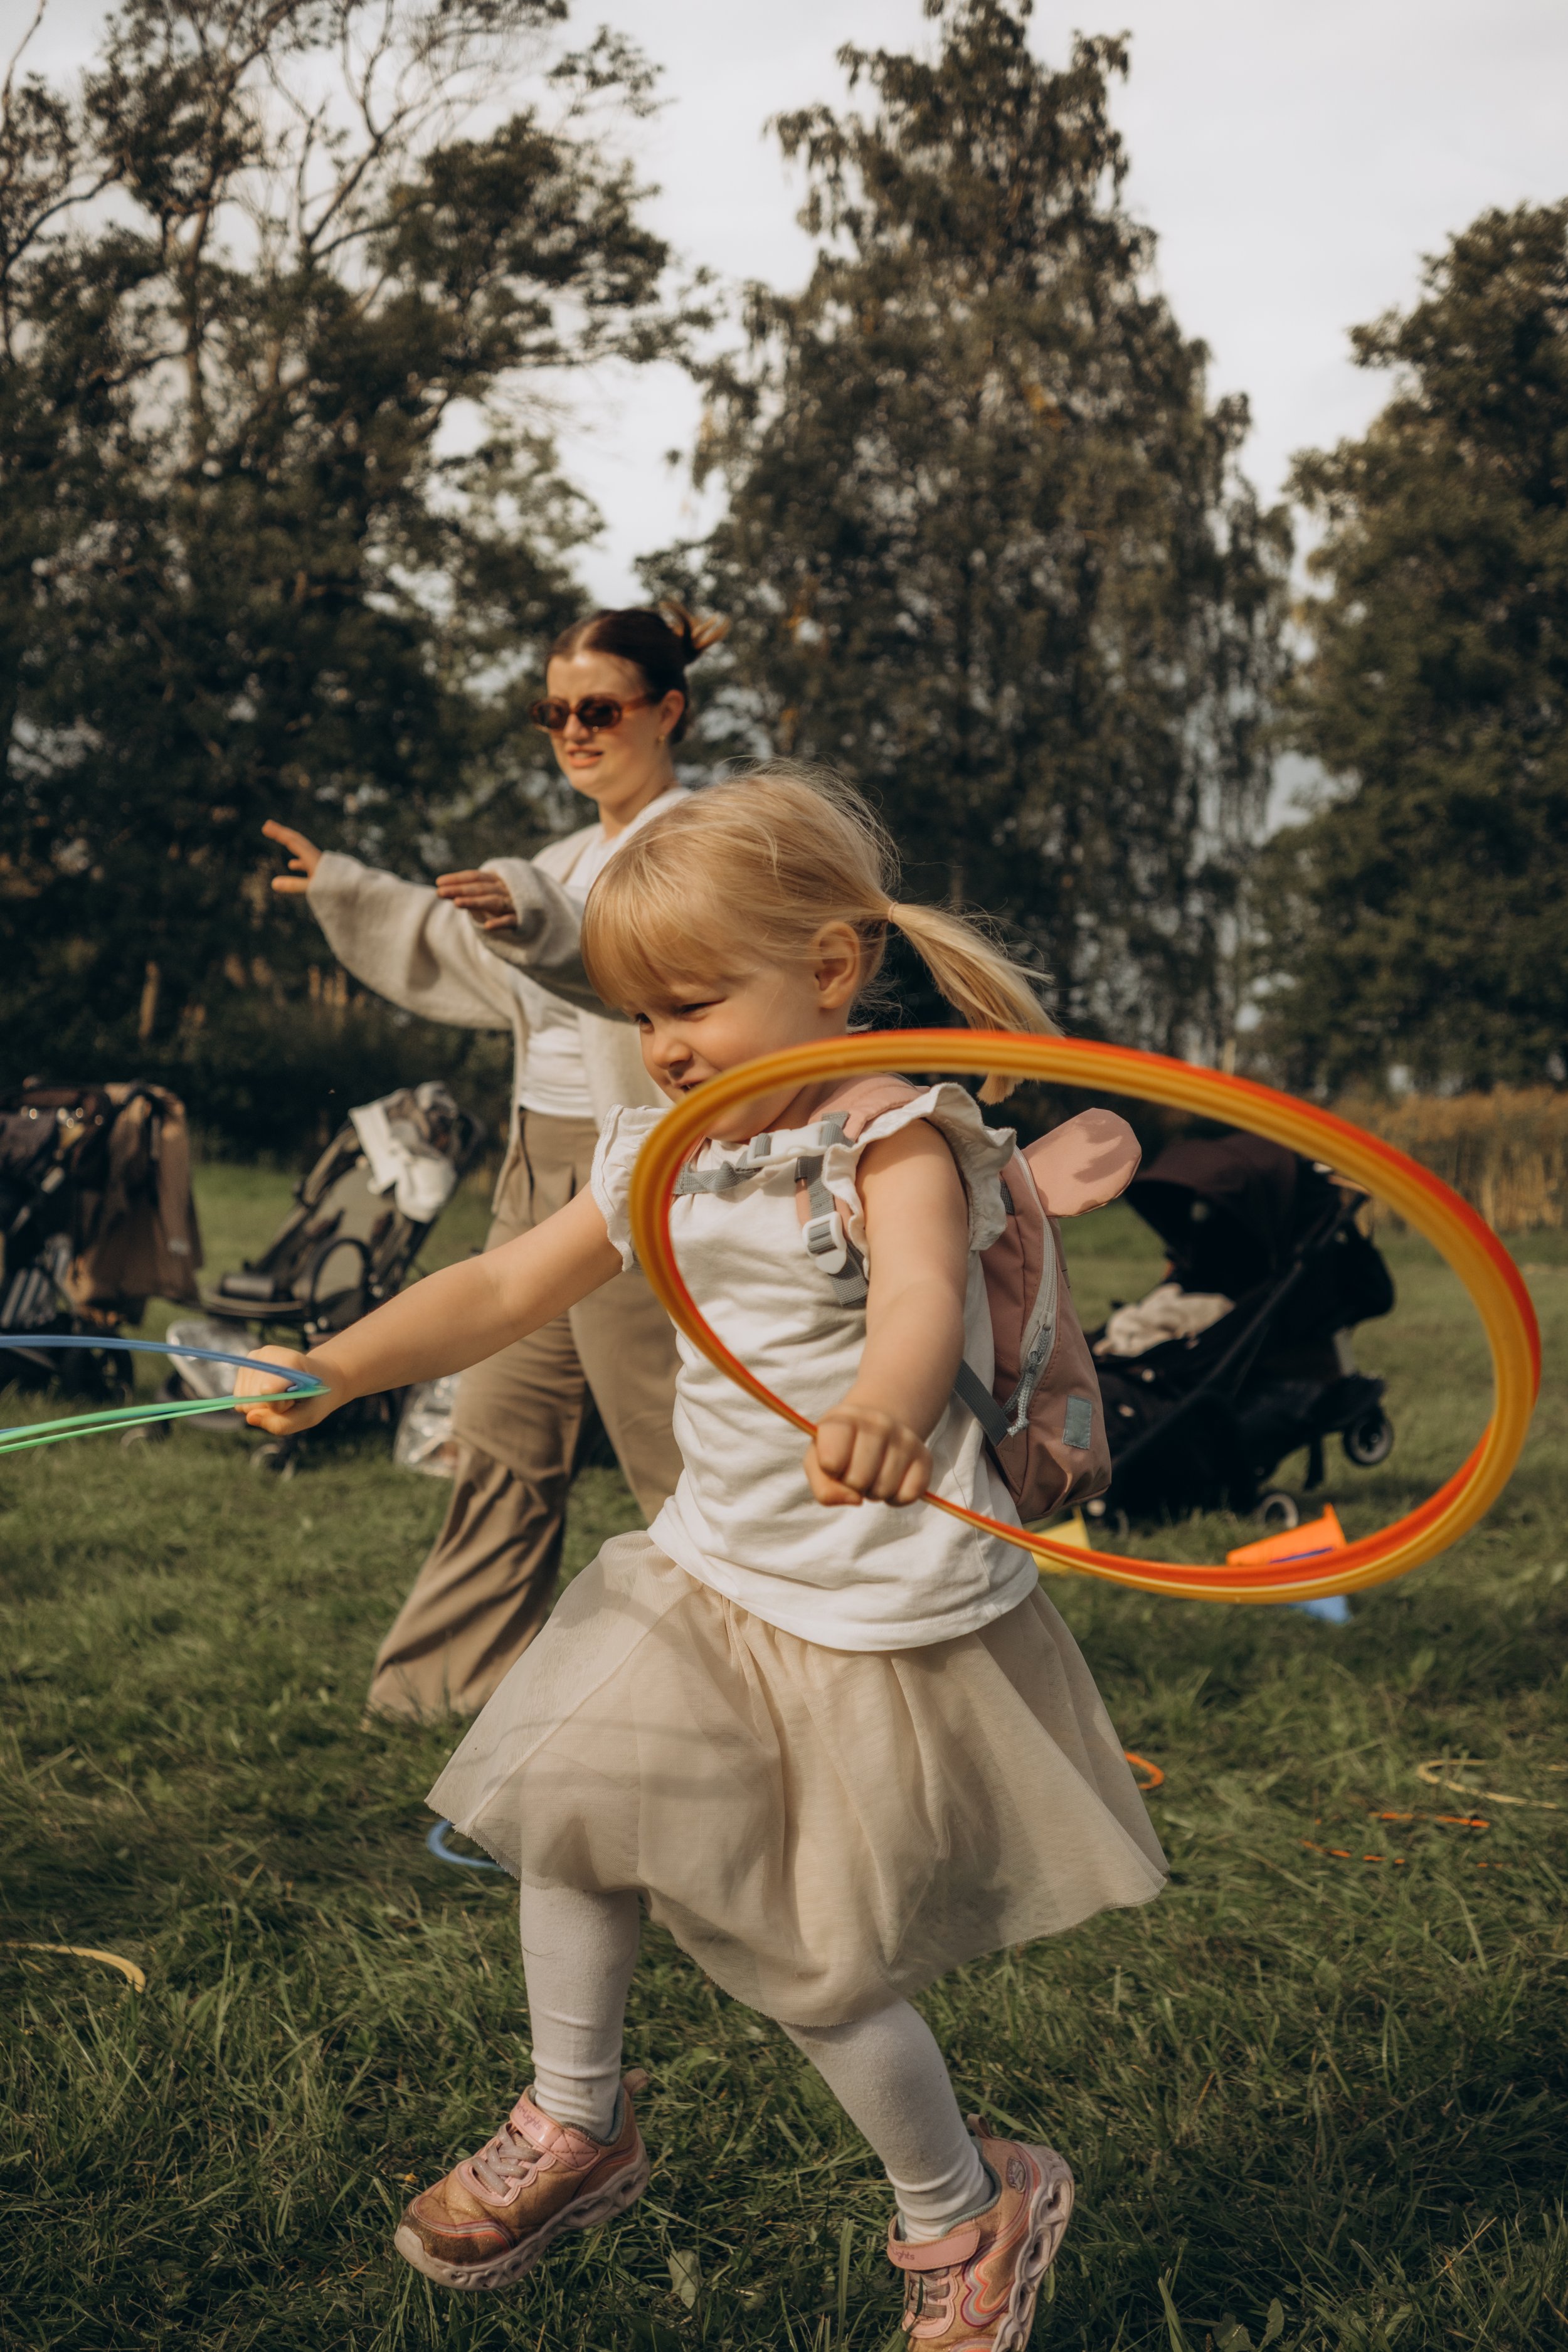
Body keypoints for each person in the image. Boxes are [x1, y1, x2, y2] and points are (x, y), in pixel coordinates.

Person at [236, 766, 1167, 2347]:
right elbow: (502, 1286)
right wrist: (337, 1365)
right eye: (638, 1014)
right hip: (707, 1576)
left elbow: (917, 1301)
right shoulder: (659, 1147)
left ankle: (964, 2208)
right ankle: (576, 2118)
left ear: (827, 970)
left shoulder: (892, 1141)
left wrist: (884, 1404)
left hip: (862, 1620)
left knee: (808, 1963)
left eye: (691, 1005)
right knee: (564, 1819)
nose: (663, 1046)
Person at [263, 605, 726, 1720]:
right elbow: (461, 947)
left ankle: (753, 1674)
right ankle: (444, 1685)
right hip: (534, 1169)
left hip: (642, 1173)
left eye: (598, 709)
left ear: (667, 710)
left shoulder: (700, 846)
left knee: (673, 1443)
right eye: (551, 711)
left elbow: (631, 958)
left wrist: (537, 913)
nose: (573, 732)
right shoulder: (564, 856)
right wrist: (349, 887)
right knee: (498, 1432)